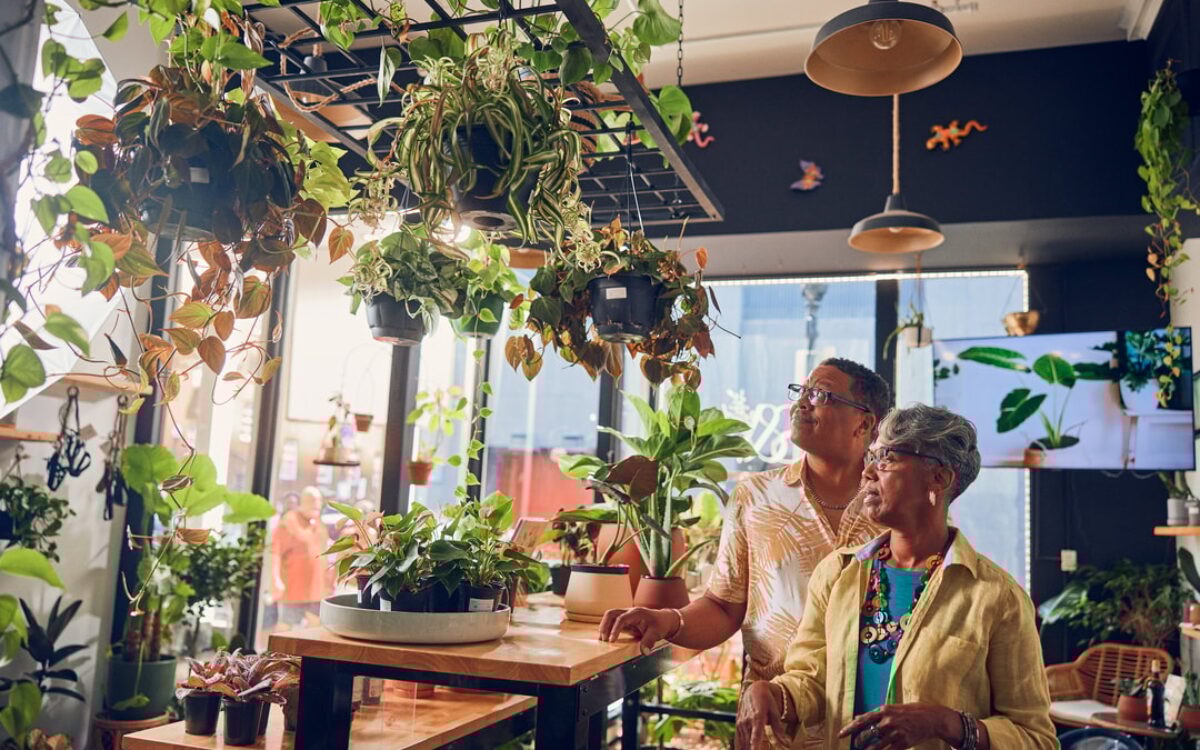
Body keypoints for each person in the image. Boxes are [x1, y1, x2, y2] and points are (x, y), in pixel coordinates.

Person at [600, 358, 891, 745]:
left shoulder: (895, 502)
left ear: (865, 422)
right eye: (800, 392)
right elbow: (724, 606)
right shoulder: (755, 496)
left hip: (876, 722)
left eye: (820, 395)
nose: (802, 403)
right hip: (773, 720)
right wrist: (666, 620)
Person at [737, 404, 1057, 750]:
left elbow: (1036, 738)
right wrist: (772, 693)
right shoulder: (839, 573)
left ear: (940, 478)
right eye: (871, 455)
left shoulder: (997, 598)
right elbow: (812, 680)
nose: (868, 472)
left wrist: (947, 724)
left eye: (887, 457)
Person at [270, 486, 331, 628]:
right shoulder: (289, 521)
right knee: (286, 626)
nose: (317, 504)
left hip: (316, 589)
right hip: (294, 588)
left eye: (319, 501)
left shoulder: (318, 524)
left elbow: (324, 554)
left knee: (315, 626)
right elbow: (276, 552)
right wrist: (275, 579)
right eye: (313, 500)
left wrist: (329, 580)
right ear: (303, 502)